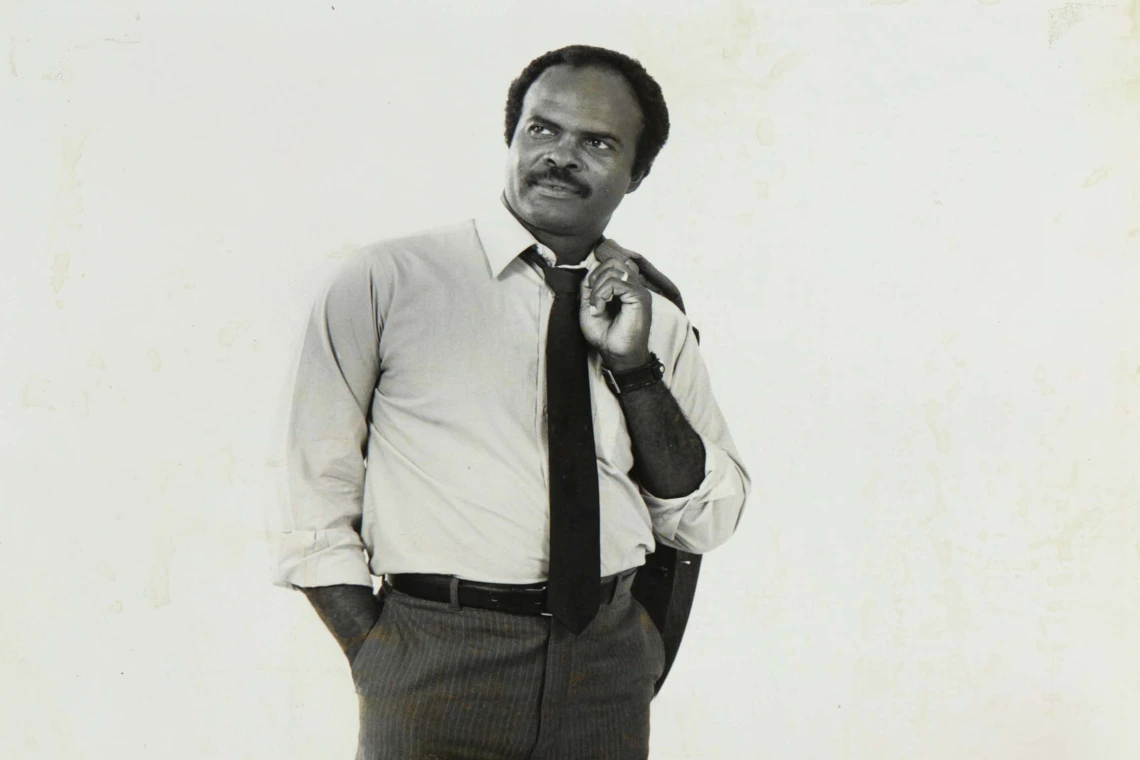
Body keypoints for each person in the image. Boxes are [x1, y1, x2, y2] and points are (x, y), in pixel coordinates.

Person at [270, 44, 750, 760]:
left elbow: (705, 516)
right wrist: (378, 651)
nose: (560, 156)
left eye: (596, 142)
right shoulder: (387, 282)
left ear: (637, 173)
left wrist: (632, 365)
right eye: (542, 129)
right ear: (511, 136)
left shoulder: (657, 318)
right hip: (434, 661)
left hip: (608, 664)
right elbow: (311, 499)